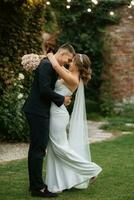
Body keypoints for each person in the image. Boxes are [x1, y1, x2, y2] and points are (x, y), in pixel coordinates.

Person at [22, 43, 75, 198]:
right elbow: (44, 90)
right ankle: (38, 188)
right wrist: (62, 99)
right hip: (37, 111)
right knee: (38, 149)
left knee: (37, 148)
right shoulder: (46, 65)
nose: (68, 62)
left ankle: (36, 185)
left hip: (39, 111)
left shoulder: (49, 64)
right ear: (63, 53)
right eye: (69, 59)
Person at [44, 53, 102, 193]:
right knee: (54, 149)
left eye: (73, 60)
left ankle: (91, 169)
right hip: (56, 112)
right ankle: (56, 183)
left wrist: (50, 55)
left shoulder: (73, 79)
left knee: (60, 148)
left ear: (77, 65)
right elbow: (59, 68)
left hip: (58, 115)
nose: (70, 61)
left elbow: (56, 66)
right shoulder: (69, 73)